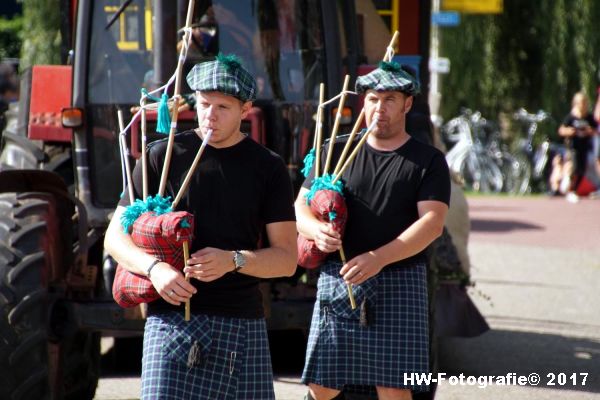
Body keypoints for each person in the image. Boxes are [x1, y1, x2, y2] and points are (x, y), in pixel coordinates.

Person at [104, 54, 297, 399]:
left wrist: (234, 260)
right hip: (170, 320)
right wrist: (156, 268)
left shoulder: (268, 167)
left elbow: (286, 258)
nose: (210, 115)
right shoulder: (159, 156)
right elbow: (115, 237)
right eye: (205, 104)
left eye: (223, 106)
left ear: (246, 108)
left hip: (241, 322)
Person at [296, 62, 450, 400]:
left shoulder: (428, 160)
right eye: (372, 99)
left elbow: (432, 224)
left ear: (408, 104)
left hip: (399, 277)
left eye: (390, 99)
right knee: (323, 384)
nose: (379, 108)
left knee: (393, 388)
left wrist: (378, 258)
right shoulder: (334, 151)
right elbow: (300, 208)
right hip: (341, 275)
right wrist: (317, 231)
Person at [558, 91, 598, 203]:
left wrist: (591, 131)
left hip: (585, 147)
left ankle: (574, 190)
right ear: (576, 103)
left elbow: (596, 130)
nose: (582, 105)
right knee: (575, 167)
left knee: (581, 169)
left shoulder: (589, 117)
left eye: (584, 103)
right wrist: (569, 131)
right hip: (573, 147)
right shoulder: (571, 117)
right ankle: (570, 189)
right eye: (580, 103)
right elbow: (561, 130)